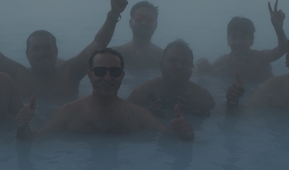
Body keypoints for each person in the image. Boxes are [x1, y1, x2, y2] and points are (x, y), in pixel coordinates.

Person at [0, 0, 128, 100]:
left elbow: (98, 43)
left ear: (56, 51)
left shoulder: (70, 72)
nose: (42, 52)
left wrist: (113, 14)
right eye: (36, 49)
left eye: (47, 48)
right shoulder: (16, 75)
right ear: (27, 54)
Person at [14, 48, 194, 141]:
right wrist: (23, 127)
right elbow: (35, 141)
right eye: (100, 71)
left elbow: (171, 138)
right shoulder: (68, 112)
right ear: (90, 74)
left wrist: (185, 133)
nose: (107, 77)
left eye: (114, 72)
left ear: (122, 76)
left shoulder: (137, 114)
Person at [197, 1, 287, 83]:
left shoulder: (260, 58)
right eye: (234, 37)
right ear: (228, 40)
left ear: (251, 40)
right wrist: (201, 63)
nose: (238, 42)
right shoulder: (224, 62)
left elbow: (282, 49)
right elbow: (203, 73)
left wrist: (278, 28)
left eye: (243, 38)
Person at [127, 40, 214, 116]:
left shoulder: (202, 97)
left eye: (185, 62)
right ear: (161, 66)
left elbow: (216, 118)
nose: (179, 66)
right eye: (173, 61)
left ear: (192, 68)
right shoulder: (143, 93)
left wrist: (200, 111)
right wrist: (146, 113)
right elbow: (126, 116)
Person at [113, 1, 163, 68]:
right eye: (138, 18)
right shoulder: (116, 54)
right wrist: (113, 14)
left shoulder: (163, 57)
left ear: (156, 25)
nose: (144, 23)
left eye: (149, 18)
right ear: (130, 23)